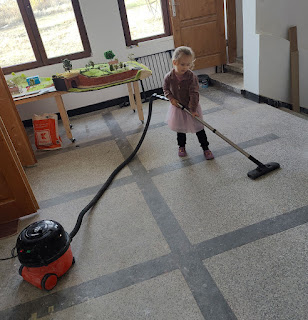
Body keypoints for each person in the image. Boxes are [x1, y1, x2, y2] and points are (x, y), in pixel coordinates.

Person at [163, 46, 214, 160]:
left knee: (199, 127)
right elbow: (166, 89)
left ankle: (205, 148)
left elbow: (194, 93)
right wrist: (171, 98)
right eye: (182, 64)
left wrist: (193, 109)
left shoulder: (192, 77)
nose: (185, 67)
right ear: (175, 62)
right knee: (180, 129)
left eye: (188, 64)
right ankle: (181, 146)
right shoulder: (169, 77)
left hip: (192, 106)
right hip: (178, 107)